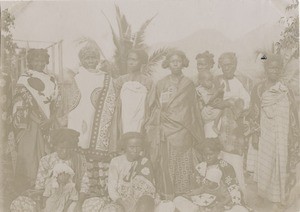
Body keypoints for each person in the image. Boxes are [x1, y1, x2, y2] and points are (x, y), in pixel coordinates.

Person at [144, 49, 204, 200]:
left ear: (183, 63)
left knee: (184, 162)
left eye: (179, 61)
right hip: (166, 129)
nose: (176, 63)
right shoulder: (161, 83)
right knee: (167, 162)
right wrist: (160, 117)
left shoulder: (189, 83)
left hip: (185, 129)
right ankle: (168, 194)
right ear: (168, 64)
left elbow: (193, 108)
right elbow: (154, 105)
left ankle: (183, 194)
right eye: (172, 61)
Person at [67, 43, 117, 207]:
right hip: (81, 118)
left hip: (99, 118)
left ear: (98, 59)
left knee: (96, 150)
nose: (90, 61)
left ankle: (98, 190)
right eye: (87, 58)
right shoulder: (77, 77)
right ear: (81, 60)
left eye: (94, 57)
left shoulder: (106, 77)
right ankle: (80, 189)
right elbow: (72, 101)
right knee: (82, 145)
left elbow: (110, 99)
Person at [247, 54, 299, 209]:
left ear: (281, 70)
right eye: (271, 67)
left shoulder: (285, 90)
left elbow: (293, 115)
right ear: (266, 69)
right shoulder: (258, 89)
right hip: (265, 134)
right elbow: (253, 113)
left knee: (279, 163)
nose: (274, 71)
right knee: (264, 165)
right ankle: (263, 196)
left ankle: (277, 199)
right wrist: (255, 134)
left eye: (278, 68)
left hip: (281, 135)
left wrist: (294, 136)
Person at [11, 48, 59, 193]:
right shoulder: (24, 78)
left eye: (42, 60)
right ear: (30, 61)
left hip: (48, 123)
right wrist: (35, 119)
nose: (39, 63)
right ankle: (27, 187)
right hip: (30, 124)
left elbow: (56, 102)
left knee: (47, 153)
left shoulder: (52, 79)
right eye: (35, 60)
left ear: (46, 61)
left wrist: (51, 119)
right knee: (29, 154)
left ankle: (45, 186)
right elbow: (19, 102)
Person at [10, 128, 86, 212]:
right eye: (61, 148)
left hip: (70, 201)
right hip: (49, 201)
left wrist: (78, 205)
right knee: (18, 203)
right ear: (55, 146)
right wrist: (42, 206)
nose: (64, 151)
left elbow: (84, 187)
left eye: (68, 148)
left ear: (72, 147)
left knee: (97, 204)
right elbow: (40, 187)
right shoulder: (46, 160)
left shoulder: (79, 160)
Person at [84, 132, 155, 212]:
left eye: (138, 147)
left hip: (139, 200)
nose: (135, 150)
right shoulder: (116, 162)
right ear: (125, 147)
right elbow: (112, 189)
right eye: (131, 147)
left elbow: (146, 190)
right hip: (120, 200)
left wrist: (135, 203)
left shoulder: (145, 162)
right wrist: (124, 204)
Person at [173, 139, 247, 212]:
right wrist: (189, 194)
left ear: (217, 152)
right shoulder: (200, 167)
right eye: (205, 155)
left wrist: (222, 204)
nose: (208, 157)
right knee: (177, 200)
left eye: (210, 154)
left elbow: (233, 189)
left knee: (240, 210)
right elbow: (197, 189)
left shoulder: (226, 167)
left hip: (221, 202)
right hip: (203, 200)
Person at [213, 52, 250, 194]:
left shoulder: (242, 82)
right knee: (220, 157)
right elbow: (212, 102)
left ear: (235, 65)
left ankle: (239, 193)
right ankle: (222, 193)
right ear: (220, 66)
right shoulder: (217, 81)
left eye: (230, 65)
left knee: (236, 159)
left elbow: (247, 103)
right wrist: (227, 103)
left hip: (236, 128)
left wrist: (237, 105)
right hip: (219, 124)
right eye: (224, 65)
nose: (227, 68)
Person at [111, 49, 153, 152]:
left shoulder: (147, 81)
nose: (131, 62)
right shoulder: (120, 80)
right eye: (129, 59)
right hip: (124, 117)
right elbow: (114, 99)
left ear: (141, 62)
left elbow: (151, 102)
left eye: (134, 60)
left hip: (140, 118)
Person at [195, 71, 224, 138]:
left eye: (211, 80)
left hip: (210, 109)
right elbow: (208, 100)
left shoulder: (209, 87)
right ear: (201, 82)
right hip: (206, 112)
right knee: (220, 110)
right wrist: (217, 92)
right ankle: (215, 126)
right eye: (208, 81)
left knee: (222, 108)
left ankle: (215, 125)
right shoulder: (201, 89)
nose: (210, 82)